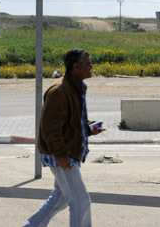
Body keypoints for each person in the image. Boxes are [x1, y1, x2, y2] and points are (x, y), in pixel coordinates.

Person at [25, 48, 105, 227]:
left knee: (59, 198)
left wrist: (90, 129)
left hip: (67, 151)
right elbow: (50, 128)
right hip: (62, 154)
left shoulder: (76, 87)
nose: (91, 67)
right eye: (88, 63)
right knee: (80, 201)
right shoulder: (60, 91)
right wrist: (61, 155)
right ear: (76, 66)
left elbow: (71, 122)